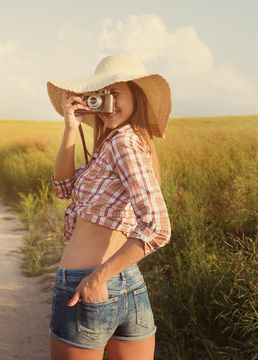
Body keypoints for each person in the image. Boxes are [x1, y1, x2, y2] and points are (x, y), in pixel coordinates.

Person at [46, 54, 172, 360]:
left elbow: (157, 227)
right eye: (102, 96)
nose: (109, 104)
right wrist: (71, 128)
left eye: (115, 94)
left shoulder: (123, 143)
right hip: (129, 283)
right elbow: (63, 187)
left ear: (137, 97)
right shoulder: (115, 144)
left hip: (88, 284)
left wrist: (98, 278)